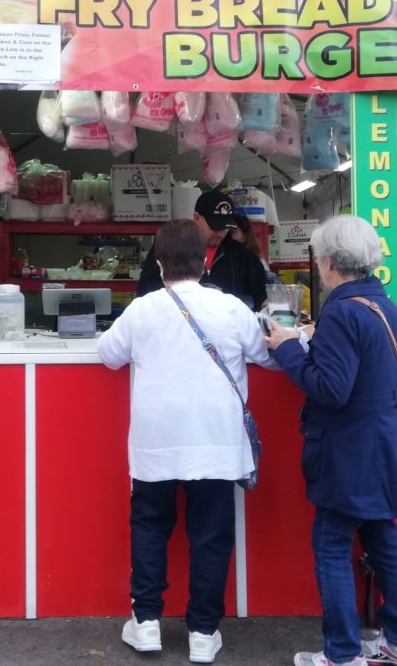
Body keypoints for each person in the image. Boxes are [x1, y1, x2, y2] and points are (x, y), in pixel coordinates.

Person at [97, 219, 273, 665]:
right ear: (205, 259)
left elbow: (108, 354)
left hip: (156, 442)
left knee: (150, 528)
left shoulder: (142, 309)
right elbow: (265, 353)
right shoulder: (231, 308)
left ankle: (148, 623)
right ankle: (202, 631)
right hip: (215, 442)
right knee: (211, 538)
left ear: (158, 263)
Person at [263, 215, 397, 666]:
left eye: (318, 258)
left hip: (348, 450)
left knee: (333, 547)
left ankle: (341, 653)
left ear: (330, 261)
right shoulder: (386, 306)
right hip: (384, 444)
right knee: (383, 540)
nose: (318, 265)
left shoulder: (341, 309)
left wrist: (290, 348)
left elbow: (331, 389)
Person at [137, 190, 267, 311]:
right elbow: (146, 289)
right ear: (197, 218)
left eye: (225, 227)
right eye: (215, 227)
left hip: (227, 329)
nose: (221, 233)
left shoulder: (242, 254)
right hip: (178, 325)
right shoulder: (171, 247)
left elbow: (261, 295)